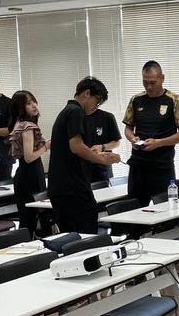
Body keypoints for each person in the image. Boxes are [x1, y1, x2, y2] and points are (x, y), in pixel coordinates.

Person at [48, 78, 120, 233]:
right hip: (73, 188)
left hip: (60, 189)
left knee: (70, 238)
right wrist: (102, 159)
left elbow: (72, 149)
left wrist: (93, 154)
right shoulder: (76, 111)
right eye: (97, 101)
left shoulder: (66, 111)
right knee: (87, 236)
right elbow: (76, 146)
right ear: (87, 94)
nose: (96, 107)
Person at [122, 61, 179, 205]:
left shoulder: (174, 100)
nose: (149, 87)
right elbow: (128, 129)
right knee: (135, 208)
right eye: (145, 82)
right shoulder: (136, 100)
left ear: (162, 78)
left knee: (167, 209)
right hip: (138, 165)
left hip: (162, 166)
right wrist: (132, 139)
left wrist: (159, 143)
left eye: (153, 83)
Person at [8, 90, 49, 237]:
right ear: (20, 107)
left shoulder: (20, 124)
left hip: (26, 173)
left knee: (28, 219)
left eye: (34, 102)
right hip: (30, 174)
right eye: (28, 103)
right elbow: (29, 157)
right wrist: (46, 146)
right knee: (34, 218)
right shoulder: (27, 126)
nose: (34, 106)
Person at [85, 104, 121, 183]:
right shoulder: (76, 118)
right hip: (81, 169)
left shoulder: (107, 117)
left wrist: (102, 147)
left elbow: (116, 142)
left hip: (102, 169)